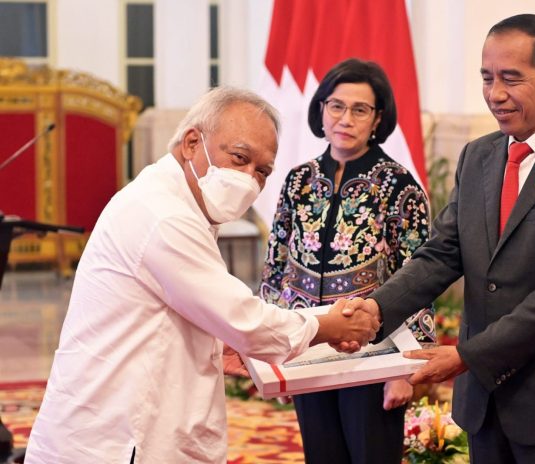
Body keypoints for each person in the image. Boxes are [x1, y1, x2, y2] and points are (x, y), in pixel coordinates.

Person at [24, 86, 379, 464]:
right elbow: (245, 320)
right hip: (118, 439)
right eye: (239, 158)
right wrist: (329, 325)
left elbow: (183, 308)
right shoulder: (164, 213)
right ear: (193, 142)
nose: (248, 178)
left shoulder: (177, 200)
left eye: (261, 171)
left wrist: (217, 341)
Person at [343, 14, 535, 463]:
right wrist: (374, 311)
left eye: (511, 79)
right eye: (487, 77)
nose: (495, 94)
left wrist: (466, 356)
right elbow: (442, 253)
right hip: (484, 405)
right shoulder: (479, 156)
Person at [259, 58, 435, 464]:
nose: (345, 118)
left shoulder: (398, 185)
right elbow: (276, 267)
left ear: (378, 118)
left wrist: (402, 369)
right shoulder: (298, 180)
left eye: (360, 109)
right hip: (309, 346)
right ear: (321, 109)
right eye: (336, 105)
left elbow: (419, 278)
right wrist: (273, 353)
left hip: (373, 354)